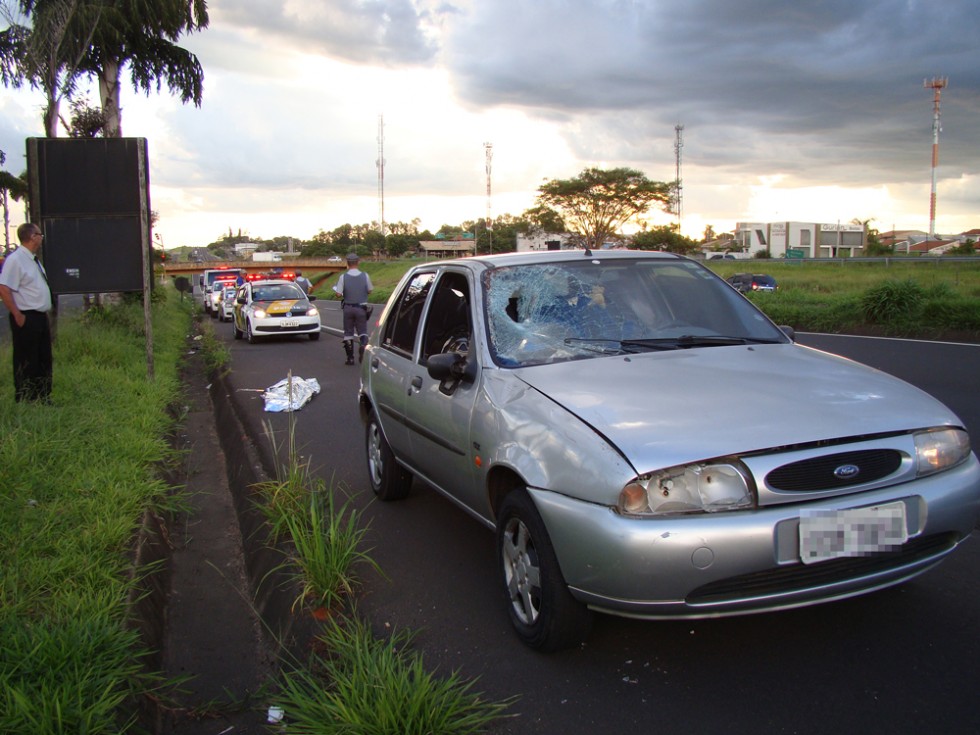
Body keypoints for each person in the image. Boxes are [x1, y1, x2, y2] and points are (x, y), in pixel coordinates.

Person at [0, 223, 54, 403]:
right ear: (32, 237)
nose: (41, 238)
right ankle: (26, 397)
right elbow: (4, 288)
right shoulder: (15, 260)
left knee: (43, 357)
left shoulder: (32, 259)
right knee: (26, 358)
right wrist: (17, 314)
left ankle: (42, 395)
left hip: (40, 316)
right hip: (26, 316)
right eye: (40, 234)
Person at [332, 252, 373, 365]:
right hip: (361, 307)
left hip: (348, 308)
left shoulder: (343, 277)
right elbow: (370, 290)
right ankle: (363, 347)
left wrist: (337, 290)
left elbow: (338, 294)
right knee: (363, 331)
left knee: (348, 332)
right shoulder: (365, 275)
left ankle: (350, 358)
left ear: (347, 263)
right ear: (358, 262)